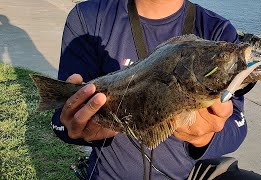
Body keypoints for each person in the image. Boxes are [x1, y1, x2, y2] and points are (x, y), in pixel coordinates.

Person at [52, 0, 248, 179]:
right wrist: (75, 126)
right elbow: (61, 119)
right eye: (222, 58)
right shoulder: (88, 16)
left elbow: (237, 126)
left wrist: (205, 138)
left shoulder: (218, 30)